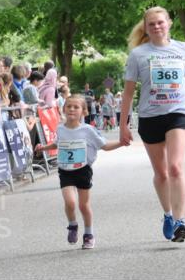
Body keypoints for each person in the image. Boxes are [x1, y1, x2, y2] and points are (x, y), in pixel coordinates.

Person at [119, 6, 185, 243]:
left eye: (160, 22)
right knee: (161, 173)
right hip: (151, 116)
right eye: (151, 24)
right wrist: (123, 124)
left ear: (169, 23)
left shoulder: (183, 49)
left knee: (175, 167)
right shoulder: (138, 55)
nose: (156, 27)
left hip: (178, 111)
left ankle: (180, 220)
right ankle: (167, 214)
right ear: (146, 27)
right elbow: (128, 92)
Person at [33, 95, 122, 249]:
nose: (72, 109)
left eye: (76, 107)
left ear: (83, 111)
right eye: (69, 106)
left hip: (83, 170)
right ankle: (72, 225)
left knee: (83, 205)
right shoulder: (60, 128)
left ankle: (88, 234)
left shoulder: (88, 130)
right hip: (65, 170)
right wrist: (43, 148)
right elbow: (57, 144)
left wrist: (122, 142)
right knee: (70, 202)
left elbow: (104, 146)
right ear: (63, 109)